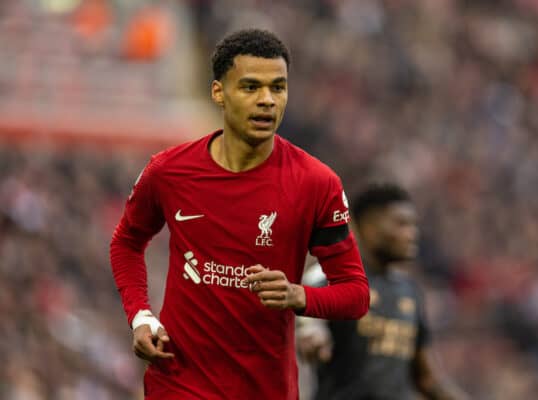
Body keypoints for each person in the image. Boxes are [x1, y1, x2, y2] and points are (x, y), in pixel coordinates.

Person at [109, 29, 369, 400]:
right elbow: (127, 241)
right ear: (219, 92)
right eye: (250, 87)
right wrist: (141, 316)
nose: (267, 101)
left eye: (278, 88)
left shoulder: (316, 184)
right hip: (179, 383)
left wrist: (299, 295)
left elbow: (356, 294)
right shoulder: (169, 171)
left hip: (266, 388)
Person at [297, 183, 468, 400]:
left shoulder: (409, 291)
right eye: (401, 224)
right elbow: (309, 315)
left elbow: (427, 379)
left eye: (413, 225)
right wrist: (313, 333)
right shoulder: (333, 276)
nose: (412, 234)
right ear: (367, 226)